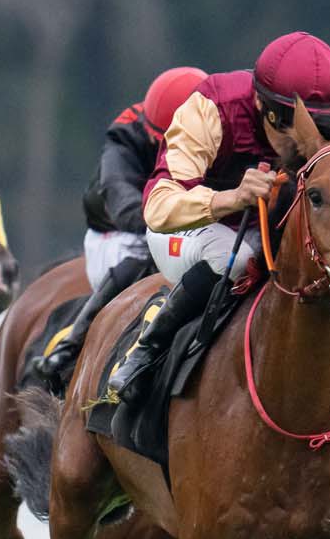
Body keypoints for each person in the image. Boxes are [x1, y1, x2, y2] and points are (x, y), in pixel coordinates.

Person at [107, 31, 330, 406]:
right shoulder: (211, 108)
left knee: (313, 252)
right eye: (298, 130)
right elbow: (158, 207)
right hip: (188, 231)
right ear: (264, 108)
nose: (310, 140)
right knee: (240, 258)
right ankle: (149, 347)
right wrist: (231, 198)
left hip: (264, 231)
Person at [31, 66, 206, 390]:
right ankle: (68, 347)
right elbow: (125, 206)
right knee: (138, 261)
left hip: (183, 223)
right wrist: (182, 215)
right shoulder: (124, 142)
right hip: (121, 233)